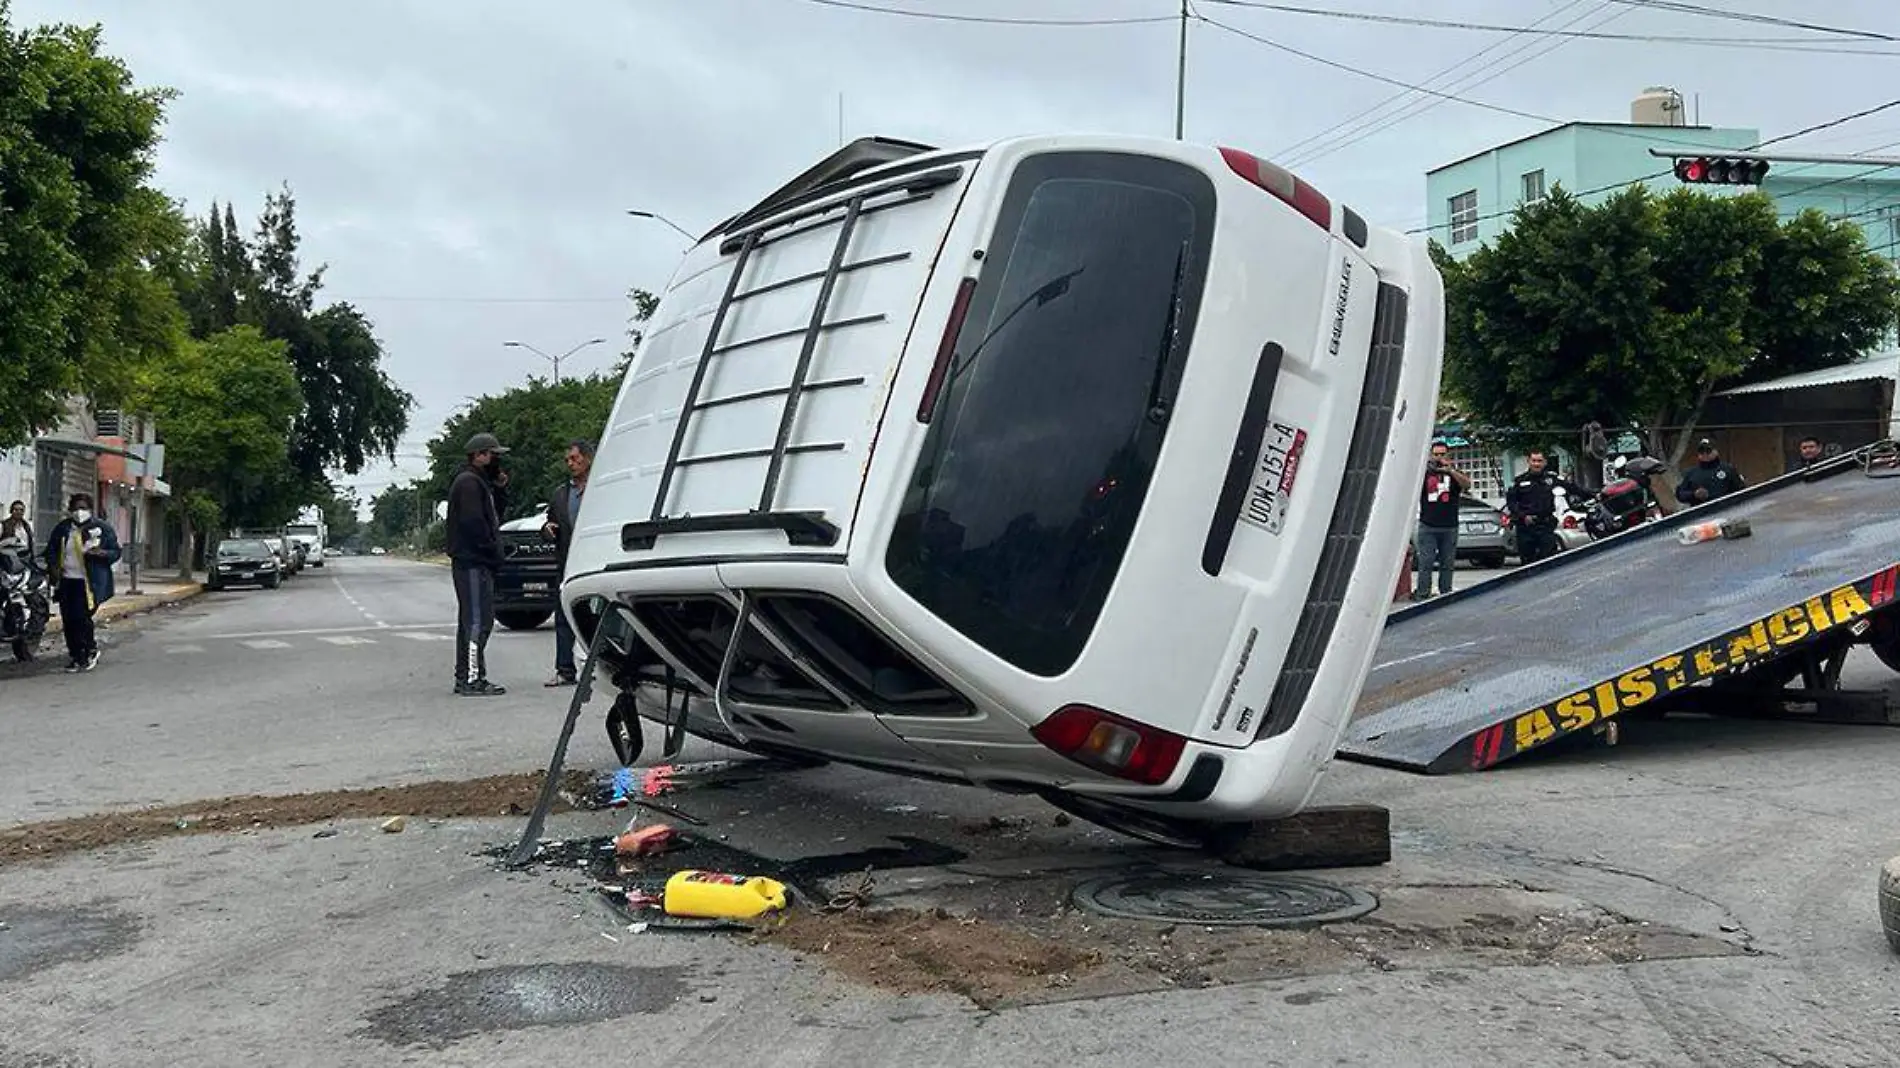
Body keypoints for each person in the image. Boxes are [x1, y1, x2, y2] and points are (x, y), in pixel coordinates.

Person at [447, 432, 509, 696]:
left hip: (474, 561)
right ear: (480, 455)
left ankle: (467, 675)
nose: (497, 459)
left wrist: (500, 488)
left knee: (473, 619)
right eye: (493, 454)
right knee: (477, 621)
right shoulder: (469, 484)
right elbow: (475, 524)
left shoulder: (478, 483)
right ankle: (472, 678)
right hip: (473, 562)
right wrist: (492, 551)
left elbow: (496, 514)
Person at [42, 493, 120, 673]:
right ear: (70, 510)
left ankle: (88, 651)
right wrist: (53, 567)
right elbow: (51, 550)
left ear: (90, 510)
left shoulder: (101, 528)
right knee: (68, 620)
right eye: (76, 508)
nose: (79, 512)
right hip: (67, 581)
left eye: (83, 508)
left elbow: (115, 552)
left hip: (89, 584)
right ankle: (75, 655)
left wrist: (102, 554)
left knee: (81, 618)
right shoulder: (63, 528)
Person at [542, 439, 594, 686]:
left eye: (575, 458)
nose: (571, 464)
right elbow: (549, 522)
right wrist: (548, 529)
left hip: (595, 562)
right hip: (567, 563)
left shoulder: (601, 487)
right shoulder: (561, 493)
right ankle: (564, 669)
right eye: (568, 460)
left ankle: (602, 667)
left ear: (588, 458)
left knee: (596, 616)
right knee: (563, 617)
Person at [1505, 450, 1587, 566]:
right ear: (1528, 461)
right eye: (1534, 461)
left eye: (1539, 461)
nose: (1536, 464)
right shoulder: (1520, 481)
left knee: (1548, 562)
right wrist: (1522, 516)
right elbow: (1512, 503)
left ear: (1545, 462)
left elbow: (1573, 489)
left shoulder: (1552, 479)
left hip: (1545, 526)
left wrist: (1596, 495)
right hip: (1526, 528)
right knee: (1527, 564)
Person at [1413, 440, 1471, 600]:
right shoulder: (1423, 474)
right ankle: (1422, 594)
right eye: (1436, 454)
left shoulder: (1454, 472)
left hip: (1449, 526)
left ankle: (1446, 594)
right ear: (1430, 455)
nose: (1439, 458)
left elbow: (1467, 485)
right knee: (1426, 563)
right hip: (1428, 525)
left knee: (1447, 563)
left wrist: (1450, 471)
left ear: (1448, 455)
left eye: (1442, 454)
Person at [1676, 438, 1744, 505]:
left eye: (1708, 451)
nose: (1705, 454)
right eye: (1701, 451)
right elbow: (1681, 494)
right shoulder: (1691, 473)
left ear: (1716, 451)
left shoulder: (1727, 469)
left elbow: (1741, 491)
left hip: (1726, 510)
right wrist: (1694, 494)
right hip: (1702, 513)